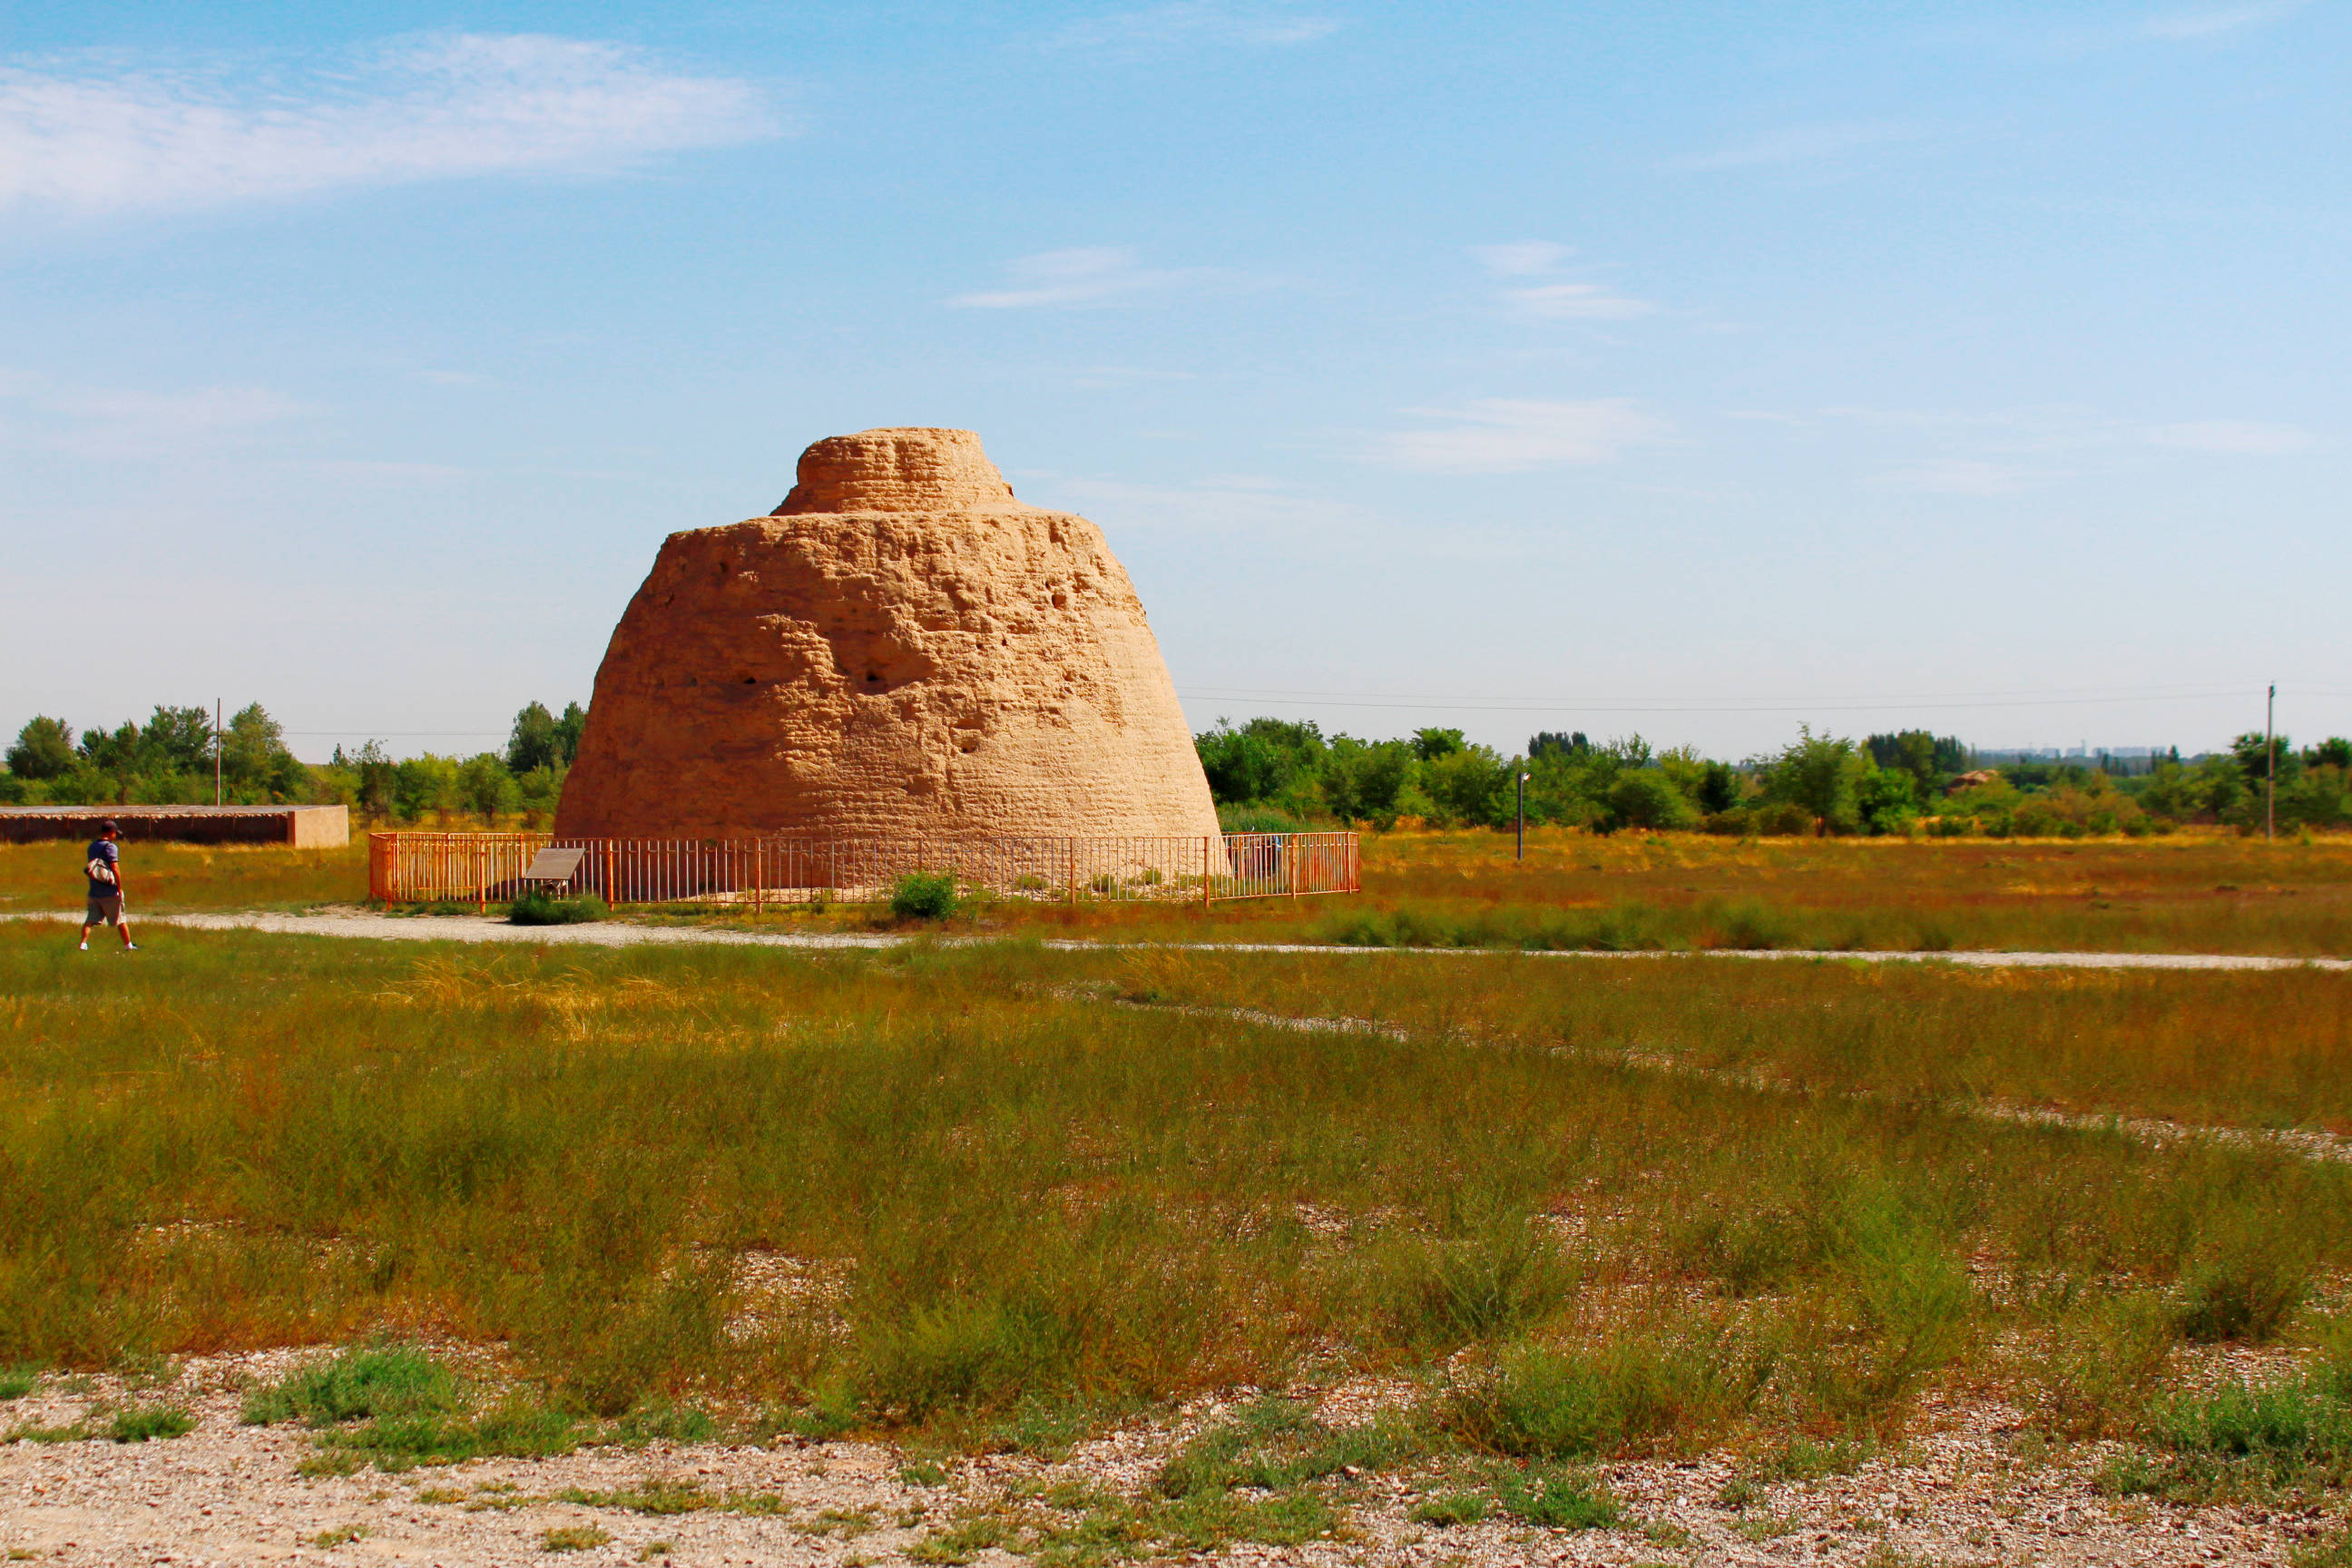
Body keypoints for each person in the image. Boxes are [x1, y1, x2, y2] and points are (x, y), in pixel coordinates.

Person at [81, 819, 137, 952]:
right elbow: (115, 868)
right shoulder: (111, 847)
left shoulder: (92, 846)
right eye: (115, 833)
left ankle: (83, 944)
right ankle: (128, 946)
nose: (115, 836)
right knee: (121, 919)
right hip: (109, 890)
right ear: (111, 832)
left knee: (90, 920)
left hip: (94, 891)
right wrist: (119, 887)